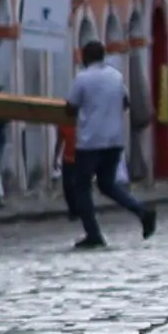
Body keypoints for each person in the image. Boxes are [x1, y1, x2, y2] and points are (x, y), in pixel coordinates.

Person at [66, 35, 156, 248]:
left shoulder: (82, 78)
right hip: (114, 140)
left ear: (85, 57)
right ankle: (141, 211)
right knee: (107, 184)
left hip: (89, 142)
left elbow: (70, 107)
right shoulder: (116, 76)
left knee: (82, 187)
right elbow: (125, 102)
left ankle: (93, 233)